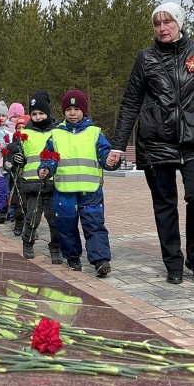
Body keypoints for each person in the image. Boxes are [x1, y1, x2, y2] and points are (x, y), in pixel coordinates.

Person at [107, 2, 194, 285]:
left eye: (168, 22)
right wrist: (118, 145)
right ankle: (173, 262)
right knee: (164, 204)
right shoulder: (145, 58)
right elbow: (130, 102)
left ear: (179, 23)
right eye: (157, 23)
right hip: (156, 142)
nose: (162, 28)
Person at [38, 90, 120, 277]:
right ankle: (73, 256)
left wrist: (109, 160)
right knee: (66, 225)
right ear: (64, 112)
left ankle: (100, 260)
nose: (72, 113)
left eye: (76, 109)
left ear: (84, 111)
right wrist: (46, 168)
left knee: (94, 224)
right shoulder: (55, 134)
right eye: (68, 109)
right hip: (64, 191)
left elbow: (104, 154)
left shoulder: (95, 133)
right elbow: (49, 157)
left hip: (90, 191)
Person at [9, 90, 61, 262]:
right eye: (34, 114)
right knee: (32, 218)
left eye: (41, 113)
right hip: (32, 184)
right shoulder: (25, 134)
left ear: (48, 112)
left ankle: (55, 247)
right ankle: (28, 242)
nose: (38, 117)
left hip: (54, 183)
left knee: (55, 220)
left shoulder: (57, 132)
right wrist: (16, 160)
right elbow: (15, 156)